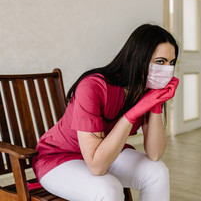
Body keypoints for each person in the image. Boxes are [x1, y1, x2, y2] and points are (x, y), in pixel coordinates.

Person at [32, 24, 179, 201]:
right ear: (137, 58)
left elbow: (154, 154)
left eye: (172, 62)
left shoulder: (147, 90)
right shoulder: (92, 87)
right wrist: (133, 114)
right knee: (108, 189)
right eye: (160, 62)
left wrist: (156, 103)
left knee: (158, 172)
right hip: (60, 158)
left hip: (106, 152)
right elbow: (96, 166)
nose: (168, 69)